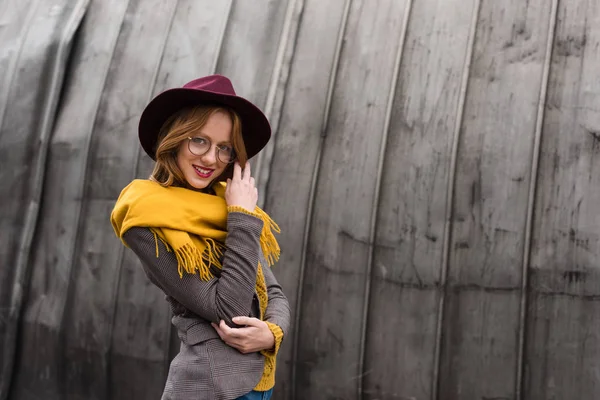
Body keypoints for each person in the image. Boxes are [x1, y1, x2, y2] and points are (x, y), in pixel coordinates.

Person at [110, 75, 290, 400]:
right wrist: (242, 218)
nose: (210, 158)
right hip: (207, 388)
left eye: (225, 148)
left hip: (260, 386)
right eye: (199, 140)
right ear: (175, 138)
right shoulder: (145, 212)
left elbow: (272, 291)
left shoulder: (228, 204)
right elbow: (229, 308)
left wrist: (272, 334)